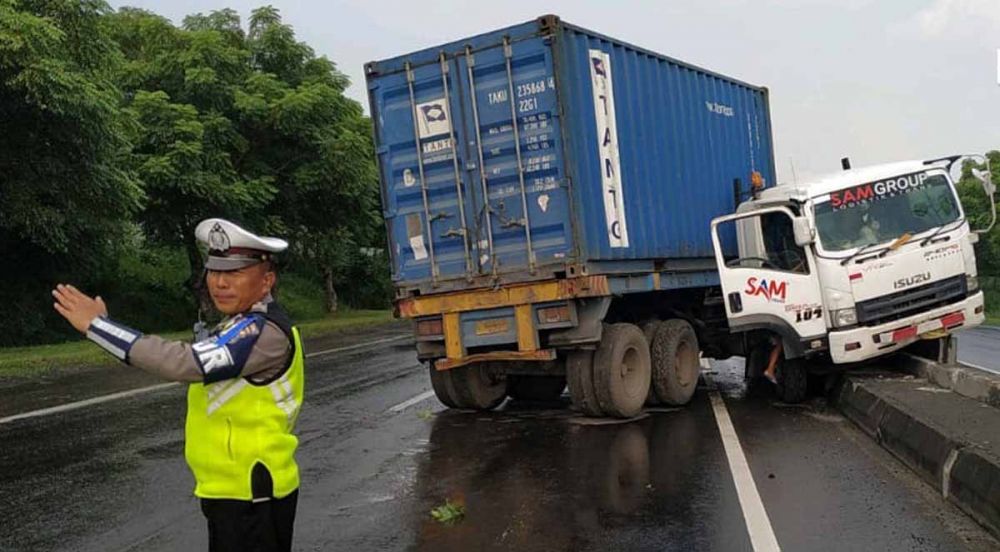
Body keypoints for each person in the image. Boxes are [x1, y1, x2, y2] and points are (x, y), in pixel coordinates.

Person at [51, 218, 305, 552]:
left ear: (266, 280)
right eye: (214, 272)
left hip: (251, 493)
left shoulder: (261, 332)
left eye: (234, 273)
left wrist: (98, 327)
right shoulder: (240, 324)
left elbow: (185, 363)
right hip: (234, 490)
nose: (220, 283)